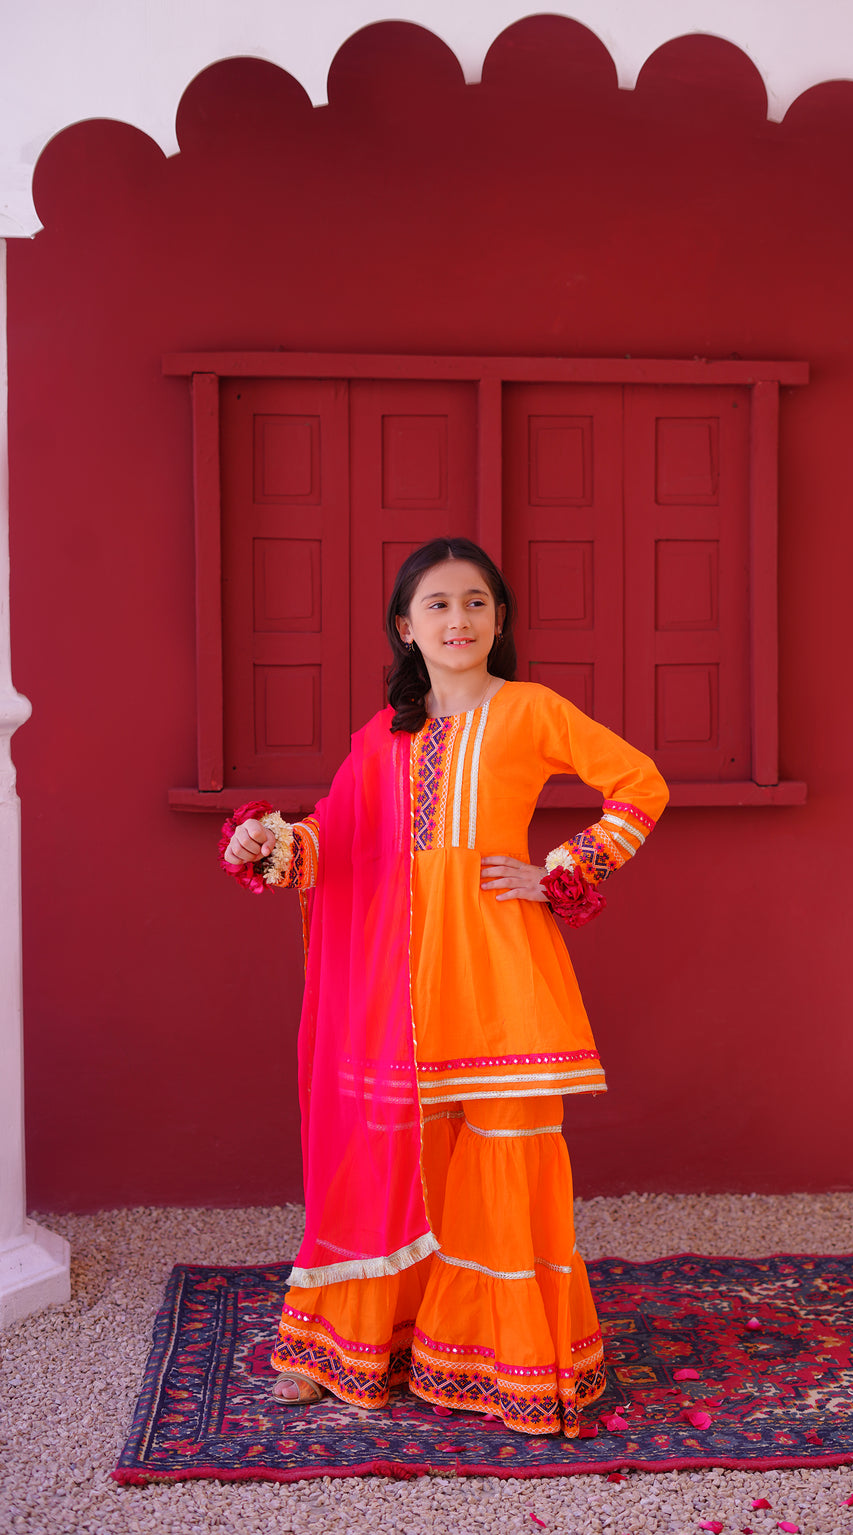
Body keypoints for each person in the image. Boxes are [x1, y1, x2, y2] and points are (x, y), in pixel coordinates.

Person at [221, 536, 668, 1437]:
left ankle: (508, 1360)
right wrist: (265, 843)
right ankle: (356, 1346)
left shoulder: (531, 708)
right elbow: (327, 846)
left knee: (507, 1153)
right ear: (405, 625)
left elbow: (639, 784)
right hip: (402, 985)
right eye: (437, 604)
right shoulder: (385, 739)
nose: (457, 619)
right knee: (396, 1159)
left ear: (499, 620)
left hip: (501, 968)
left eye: (475, 602)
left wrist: (562, 868)